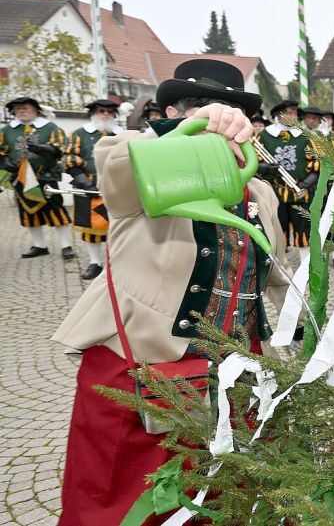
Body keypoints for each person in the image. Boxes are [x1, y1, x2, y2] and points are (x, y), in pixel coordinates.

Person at [51, 58, 292, 526]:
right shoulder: (142, 163)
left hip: (234, 371)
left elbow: (270, 268)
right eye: (192, 106)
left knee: (222, 494)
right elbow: (115, 172)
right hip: (142, 365)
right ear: (165, 115)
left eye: (221, 108)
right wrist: (184, 131)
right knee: (121, 501)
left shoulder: (259, 191)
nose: (210, 117)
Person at [0, 96, 74, 259]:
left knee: (55, 210)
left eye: (25, 108)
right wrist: (5, 163)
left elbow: (59, 149)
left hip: (46, 176)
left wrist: (42, 149)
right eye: (18, 109)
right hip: (21, 178)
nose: (21, 111)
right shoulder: (7, 130)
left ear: (36, 110)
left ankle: (66, 246)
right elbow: (1, 151)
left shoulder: (49, 127)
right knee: (28, 212)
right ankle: (39, 245)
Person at [64, 99, 123, 279]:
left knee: (120, 227)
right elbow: (69, 159)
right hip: (88, 187)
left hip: (120, 189)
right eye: (101, 111)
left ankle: (118, 263)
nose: (105, 114)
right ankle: (95, 263)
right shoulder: (79, 134)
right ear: (93, 113)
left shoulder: (123, 134)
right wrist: (84, 182)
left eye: (109, 111)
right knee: (92, 229)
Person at [257, 99, 319, 259]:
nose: (294, 116)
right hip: (274, 192)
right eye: (290, 112)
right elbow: (254, 163)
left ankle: (306, 267)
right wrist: (265, 168)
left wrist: (307, 184)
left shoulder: (305, 136)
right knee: (276, 229)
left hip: (301, 193)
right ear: (279, 115)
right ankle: (278, 267)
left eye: (295, 112)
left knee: (304, 229)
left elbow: (316, 163)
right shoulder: (263, 136)